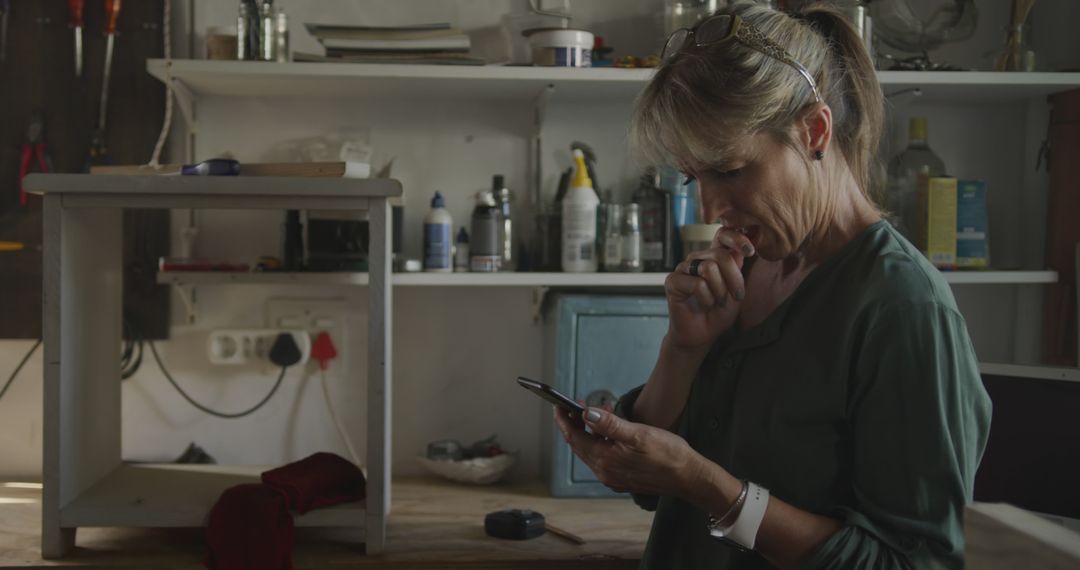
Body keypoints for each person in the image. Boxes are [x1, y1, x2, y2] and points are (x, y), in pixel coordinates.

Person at [553, 2, 992, 569]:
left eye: (730, 170)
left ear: (814, 129)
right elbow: (651, 487)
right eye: (694, 176)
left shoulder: (903, 310)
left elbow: (912, 563)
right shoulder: (745, 268)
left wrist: (709, 486)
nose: (711, 208)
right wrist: (683, 350)